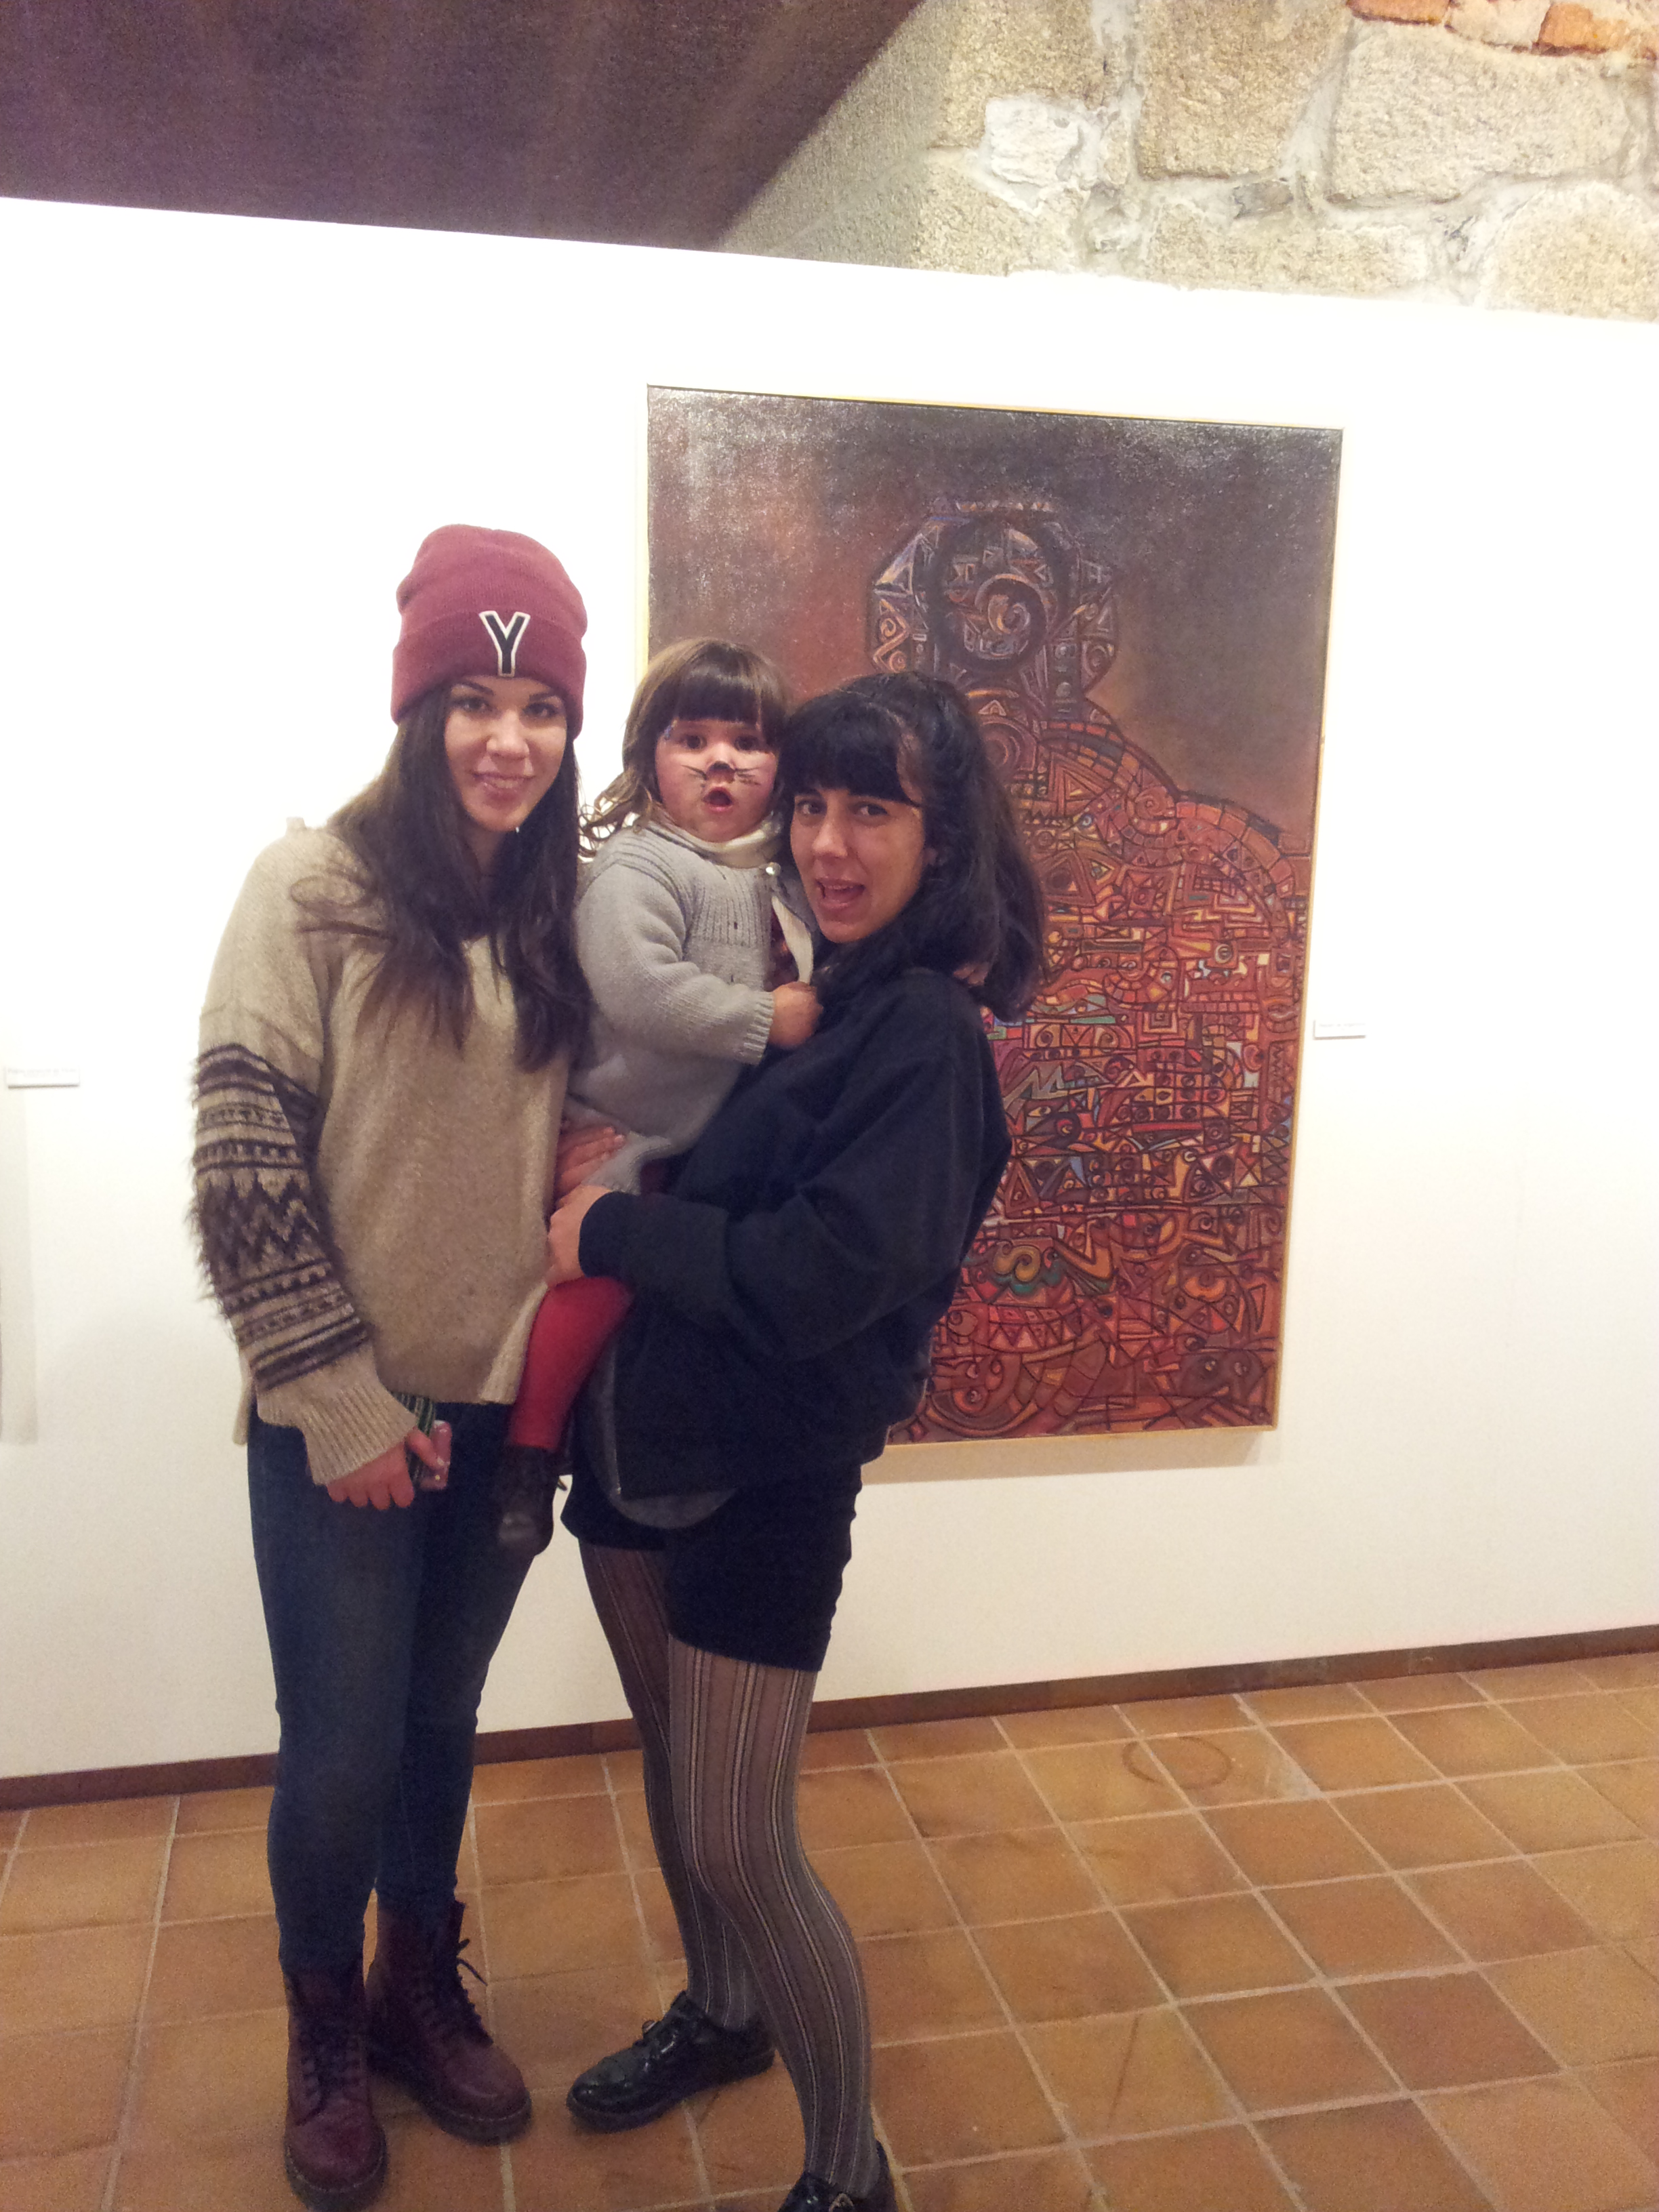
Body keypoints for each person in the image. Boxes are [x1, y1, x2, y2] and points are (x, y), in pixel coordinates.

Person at [548, 672, 1047, 2212]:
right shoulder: (803, 987)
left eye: (871, 810)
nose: (828, 841)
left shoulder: (925, 1033)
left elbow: (822, 1273)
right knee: (676, 1772)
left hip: (765, 1471)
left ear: (941, 835)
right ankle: (723, 2014)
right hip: (640, 1445)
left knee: (739, 1834)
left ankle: (847, 2174)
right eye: (813, 803)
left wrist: (613, 1227)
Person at [191, 525, 590, 2211]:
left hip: (504, 1409)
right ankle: (326, 2030)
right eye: (475, 703)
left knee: (438, 1722)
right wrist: (343, 1405)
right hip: (346, 1418)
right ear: (420, 710)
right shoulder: (313, 887)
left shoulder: (567, 908)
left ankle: (416, 1984)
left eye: (542, 707)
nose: (509, 739)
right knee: (343, 1743)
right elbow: (244, 1164)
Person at [493, 638, 819, 1555]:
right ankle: (528, 1451)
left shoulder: (777, 875)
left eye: (748, 742)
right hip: (622, 1123)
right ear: (649, 757)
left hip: (705, 1138)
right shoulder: (640, 866)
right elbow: (640, 990)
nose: (721, 761)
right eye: (693, 739)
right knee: (598, 1269)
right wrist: (766, 1019)